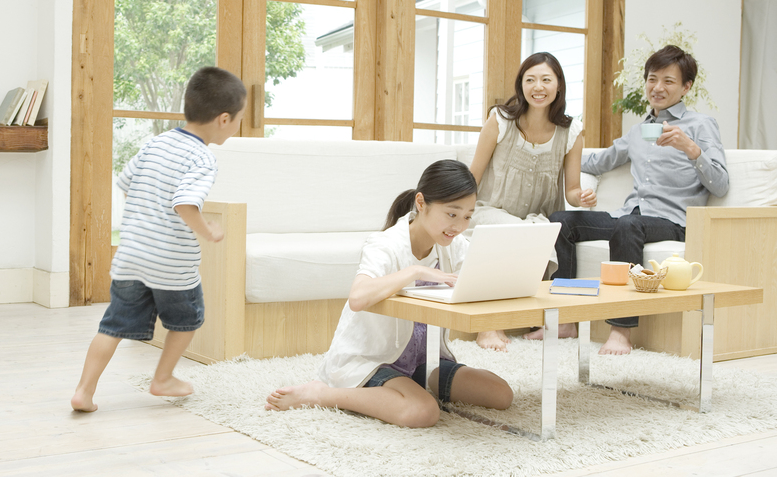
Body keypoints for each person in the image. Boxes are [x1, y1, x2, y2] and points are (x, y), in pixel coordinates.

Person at [264, 160, 514, 428]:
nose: (458, 226)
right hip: (375, 359)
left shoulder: (455, 245)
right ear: (421, 203)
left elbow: (482, 284)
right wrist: (415, 271)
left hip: (424, 361)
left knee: (501, 394)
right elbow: (358, 297)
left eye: (467, 216)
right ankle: (322, 394)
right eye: (452, 214)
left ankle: (413, 384)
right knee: (423, 412)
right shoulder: (385, 244)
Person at [71, 66, 247, 412]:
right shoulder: (202, 157)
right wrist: (207, 230)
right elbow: (185, 202)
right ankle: (163, 378)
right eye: (240, 118)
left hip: (131, 254)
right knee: (188, 319)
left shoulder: (156, 142)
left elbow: (124, 184)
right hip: (172, 262)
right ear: (224, 119)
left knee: (112, 326)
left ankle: (84, 392)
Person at [542, 45, 729, 355]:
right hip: (631, 216)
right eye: (652, 79)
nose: (658, 88)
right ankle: (565, 320)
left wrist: (691, 149)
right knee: (561, 221)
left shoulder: (700, 126)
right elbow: (598, 162)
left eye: (668, 81)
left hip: (674, 221)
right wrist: (552, 150)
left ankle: (621, 330)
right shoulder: (640, 130)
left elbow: (721, 185)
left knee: (629, 225)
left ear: (686, 87)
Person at [467, 52, 596, 351]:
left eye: (546, 80)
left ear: (559, 86)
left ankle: (520, 320)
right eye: (530, 80)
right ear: (521, 85)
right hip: (490, 212)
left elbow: (572, 191)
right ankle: (488, 326)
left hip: (536, 219)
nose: (538, 86)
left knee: (534, 232)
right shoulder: (500, 120)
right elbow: (473, 176)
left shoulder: (570, 132)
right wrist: (454, 213)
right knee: (513, 233)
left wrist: (584, 197)